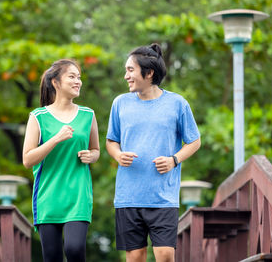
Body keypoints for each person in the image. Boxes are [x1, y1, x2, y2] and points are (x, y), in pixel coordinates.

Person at [106, 43, 201, 262]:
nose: (125, 76)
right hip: (128, 196)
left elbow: (194, 141)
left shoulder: (177, 104)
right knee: (136, 256)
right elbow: (111, 141)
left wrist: (174, 160)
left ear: (149, 73)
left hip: (163, 196)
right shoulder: (120, 103)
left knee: (166, 255)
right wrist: (118, 155)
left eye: (130, 70)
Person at [22, 59, 100, 262]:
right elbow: (28, 159)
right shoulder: (38, 117)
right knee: (52, 257)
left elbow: (96, 150)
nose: (78, 82)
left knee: (74, 249)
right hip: (48, 197)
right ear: (56, 82)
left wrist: (91, 156)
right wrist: (56, 139)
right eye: (72, 77)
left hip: (78, 196)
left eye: (79, 77)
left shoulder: (88, 115)